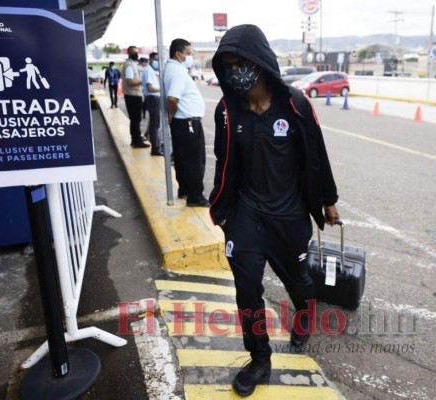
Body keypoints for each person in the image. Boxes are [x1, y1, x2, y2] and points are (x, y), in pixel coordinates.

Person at [208, 24, 340, 397]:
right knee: (247, 287)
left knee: (297, 280)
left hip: (290, 217)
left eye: (241, 62)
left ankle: (303, 315)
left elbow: (317, 156)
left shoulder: (295, 103)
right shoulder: (227, 111)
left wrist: (328, 201)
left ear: (260, 61)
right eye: (228, 65)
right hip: (246, 217)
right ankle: (260, 358)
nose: (236, 71)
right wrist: (219, 207)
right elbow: (223, 161)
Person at [163, 39, 209, 207]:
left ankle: (185, 189)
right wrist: (171, 114)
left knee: (183, 159)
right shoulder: (177, 72)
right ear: (178, 54)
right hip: (187, 122)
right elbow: (173, 98)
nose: (191, 57)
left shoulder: (173, 69)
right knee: (194, 160)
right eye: (189, 54)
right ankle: (195, 196)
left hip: (183, 122)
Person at [122, 46, 149, 148]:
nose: (137, 54)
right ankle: (136, 141)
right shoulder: (129, 66)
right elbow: (130, 82)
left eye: (137, 52)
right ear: (130, 53)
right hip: (132, 95)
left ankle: (136, 138)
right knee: (135, 119)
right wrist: (143, 80)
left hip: (133, 95)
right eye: (134, 52)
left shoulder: (132, 64)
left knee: (136, 119)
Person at [141, 52, 163, 156]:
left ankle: (153, 141)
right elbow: (150, 88)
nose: (157, 62)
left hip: (154, 98)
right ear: (150, 59)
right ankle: (155, 148)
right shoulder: (148, 71)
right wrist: (162, 89)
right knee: (155, 124)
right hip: (153, 98)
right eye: (155, 59)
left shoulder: (152, 70)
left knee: (154, 123)